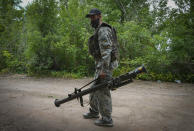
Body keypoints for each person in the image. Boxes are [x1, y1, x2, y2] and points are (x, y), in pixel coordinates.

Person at [83, 8, 119, 127]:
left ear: (99, 16)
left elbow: (106, 51)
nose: (91, 20)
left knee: (102, 90)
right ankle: (94, 111)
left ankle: (107, 119)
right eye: (90, 18)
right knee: (94, 88)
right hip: (101, 65)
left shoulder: (103, 30)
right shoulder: (99, 30)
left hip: (105, 65)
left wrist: (104, 70)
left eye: (93, 17)